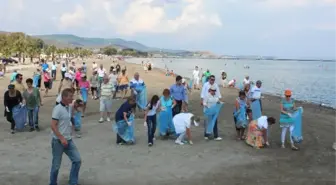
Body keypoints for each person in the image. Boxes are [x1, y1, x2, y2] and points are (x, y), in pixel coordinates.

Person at [50, 88, 81, 185]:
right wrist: (61, 137)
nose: (72, 98)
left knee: (77, 160)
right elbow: (53, 125)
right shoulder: (57, 109)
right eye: (70, 96)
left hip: (68, 140)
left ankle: (73, 182)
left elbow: (76, 107)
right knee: (56, 165)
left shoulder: (69, 107)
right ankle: (52, 183)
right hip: (58, 141)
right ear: (64, 97)